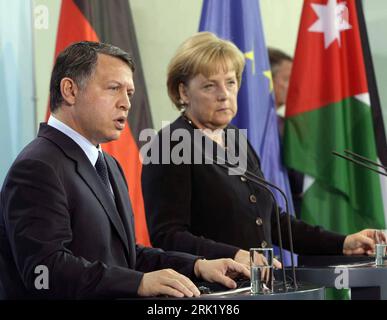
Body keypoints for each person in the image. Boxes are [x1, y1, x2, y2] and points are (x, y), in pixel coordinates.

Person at [0, 41, 250, 299]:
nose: (126, 103)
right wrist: (139, 283)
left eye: (129, 93)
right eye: (114, 89)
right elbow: (44, 272)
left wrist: (198, 266)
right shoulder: (38, 167)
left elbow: (125, 256)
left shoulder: (107, 164)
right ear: (70, 91)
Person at [141, 32, 378, 269]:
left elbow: (273, 221)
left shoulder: (235, 139)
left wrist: (343, 243)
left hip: (258, 286)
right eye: (209, 85)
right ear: (184, 92)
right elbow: (168, 235)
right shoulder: (170, 144)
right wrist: (235, 255)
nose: (224, 94)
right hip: (208, 293)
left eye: (230, 82)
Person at [268, 47, 303, 218]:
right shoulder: (239, 128)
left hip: (289, 219)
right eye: (288, 79)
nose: (293, 87)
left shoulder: (288, 125)